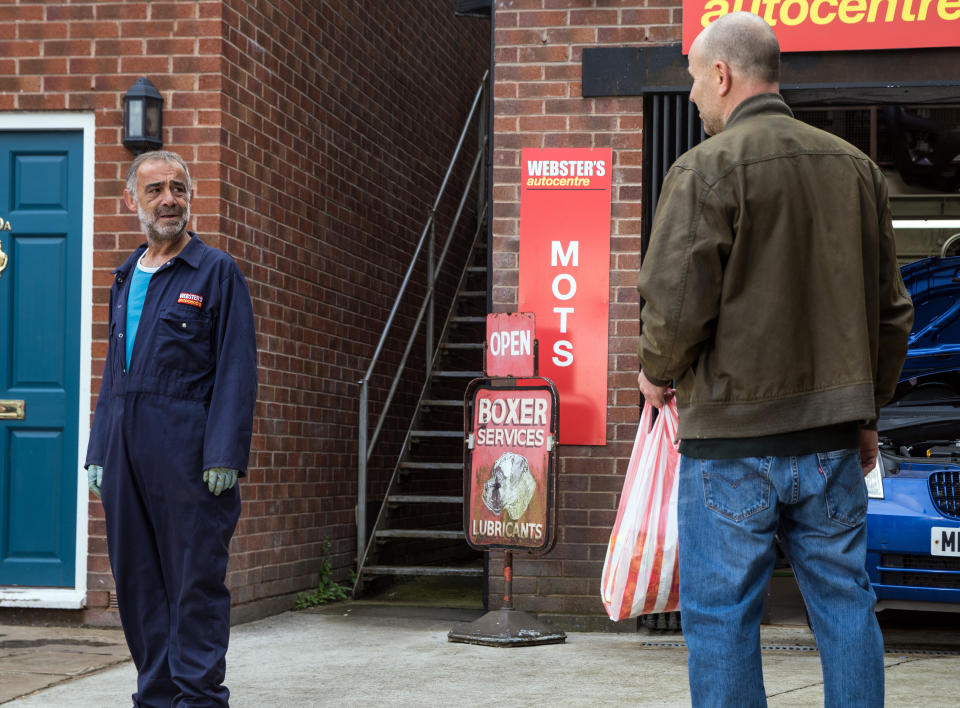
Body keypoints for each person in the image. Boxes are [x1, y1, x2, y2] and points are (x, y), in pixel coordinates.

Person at [636, 12, 913, 708]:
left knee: (724, 617)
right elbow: (892, 312)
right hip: (831, 441)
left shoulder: (705, 169)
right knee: (846, 606)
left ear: (723, 74)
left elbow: (676, 302)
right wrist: (865, 411)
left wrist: (655, 370)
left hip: (731, 443)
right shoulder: (857, 170)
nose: (695, 94)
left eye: (696, 79)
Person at [85, 150, 258, 707]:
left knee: (193, 586)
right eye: (156, 189)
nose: (169, 200)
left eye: (178, 189)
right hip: (125, 453)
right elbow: (116, 373)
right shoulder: (124, 276)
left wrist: (224, 453)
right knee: (138, 585)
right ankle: (156, 697)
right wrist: (98, 449)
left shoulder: (215, 272)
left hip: (190, 457)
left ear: (191, 197)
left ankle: (198, 699)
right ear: (131, 201)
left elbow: (236, 367)